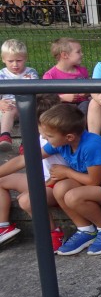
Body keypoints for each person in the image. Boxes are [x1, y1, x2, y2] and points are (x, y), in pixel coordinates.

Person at [42, 104, 101, 255]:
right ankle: (86, 230)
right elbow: (28, 157)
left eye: (49, 136)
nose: (44, 138)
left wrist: (67, 172)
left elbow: (94, 181)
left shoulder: (91, 146)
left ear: (69, 137)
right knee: (59, 189)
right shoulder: (61, 141)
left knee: (72, 197)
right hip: (97, 184)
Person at [0, 94, 66, 250]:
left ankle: (54, 234)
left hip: (58, 185)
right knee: (2, 180)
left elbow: (23, 160)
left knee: (27, 200)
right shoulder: (42, 134)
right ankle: (3, 226)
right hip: (43, 179)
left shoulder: (56, 138)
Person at [0, 39, 38, 151]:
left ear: (25, 58)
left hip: (26, 103)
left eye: (19, 60)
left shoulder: (31, 73)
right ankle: (5, 136)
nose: (15, 64)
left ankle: (26, 144)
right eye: (10, 61)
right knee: (9, 111)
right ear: (3, 59)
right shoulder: (2, 74)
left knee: (28, 113)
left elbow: (35, 89)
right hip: (9, 105)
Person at [42, 37, 90, 115]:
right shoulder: (50, 75)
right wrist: (62, 98)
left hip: (82, 104)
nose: (82, 54)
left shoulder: (82, 71)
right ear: (65, 55)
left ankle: (81, 122)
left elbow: (89, 90)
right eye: (78, 52)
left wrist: (86, 93)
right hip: (61, 106)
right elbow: (46, 98)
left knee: (86, 105)